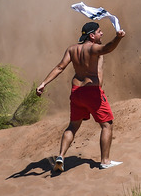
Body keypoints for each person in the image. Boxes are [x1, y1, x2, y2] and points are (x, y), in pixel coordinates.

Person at [36, 21, 126, 171]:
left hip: (77, 92)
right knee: (107, 125)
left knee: (73, 126)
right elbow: (108, 48)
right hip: (92, 92)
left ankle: (61, 156)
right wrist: (118, 37)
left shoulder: (72, 49)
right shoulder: (93, 48)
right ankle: (105, 161)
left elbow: (59, 67)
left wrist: (43, 83)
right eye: (99, 31)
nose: (102, 33)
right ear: (92, 35)